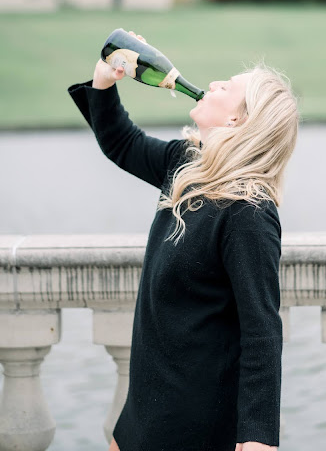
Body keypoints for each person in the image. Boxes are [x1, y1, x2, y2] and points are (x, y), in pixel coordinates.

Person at [67, 30, 299, 451]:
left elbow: (262, 329)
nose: (212, 85)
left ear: (238, 120)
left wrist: (258, 436)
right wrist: (103, 80)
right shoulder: (186, 165)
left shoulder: (248, 212)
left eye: (226, 87)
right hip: (144, 407)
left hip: (194, 420)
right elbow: (122, 143)